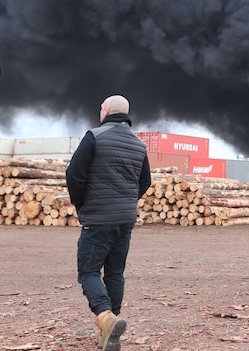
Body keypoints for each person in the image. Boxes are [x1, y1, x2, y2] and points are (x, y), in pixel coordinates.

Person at [66, 95, 152, 351]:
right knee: (115, 273)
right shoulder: (139, 144)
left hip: (98, 218)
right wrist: (127, 201)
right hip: (125, 220)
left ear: (105, 111)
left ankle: (105, 317)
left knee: (89, 272)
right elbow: (145, 181)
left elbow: (74, 174)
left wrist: (81, 205)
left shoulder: (94, 136)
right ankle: (109, 330)